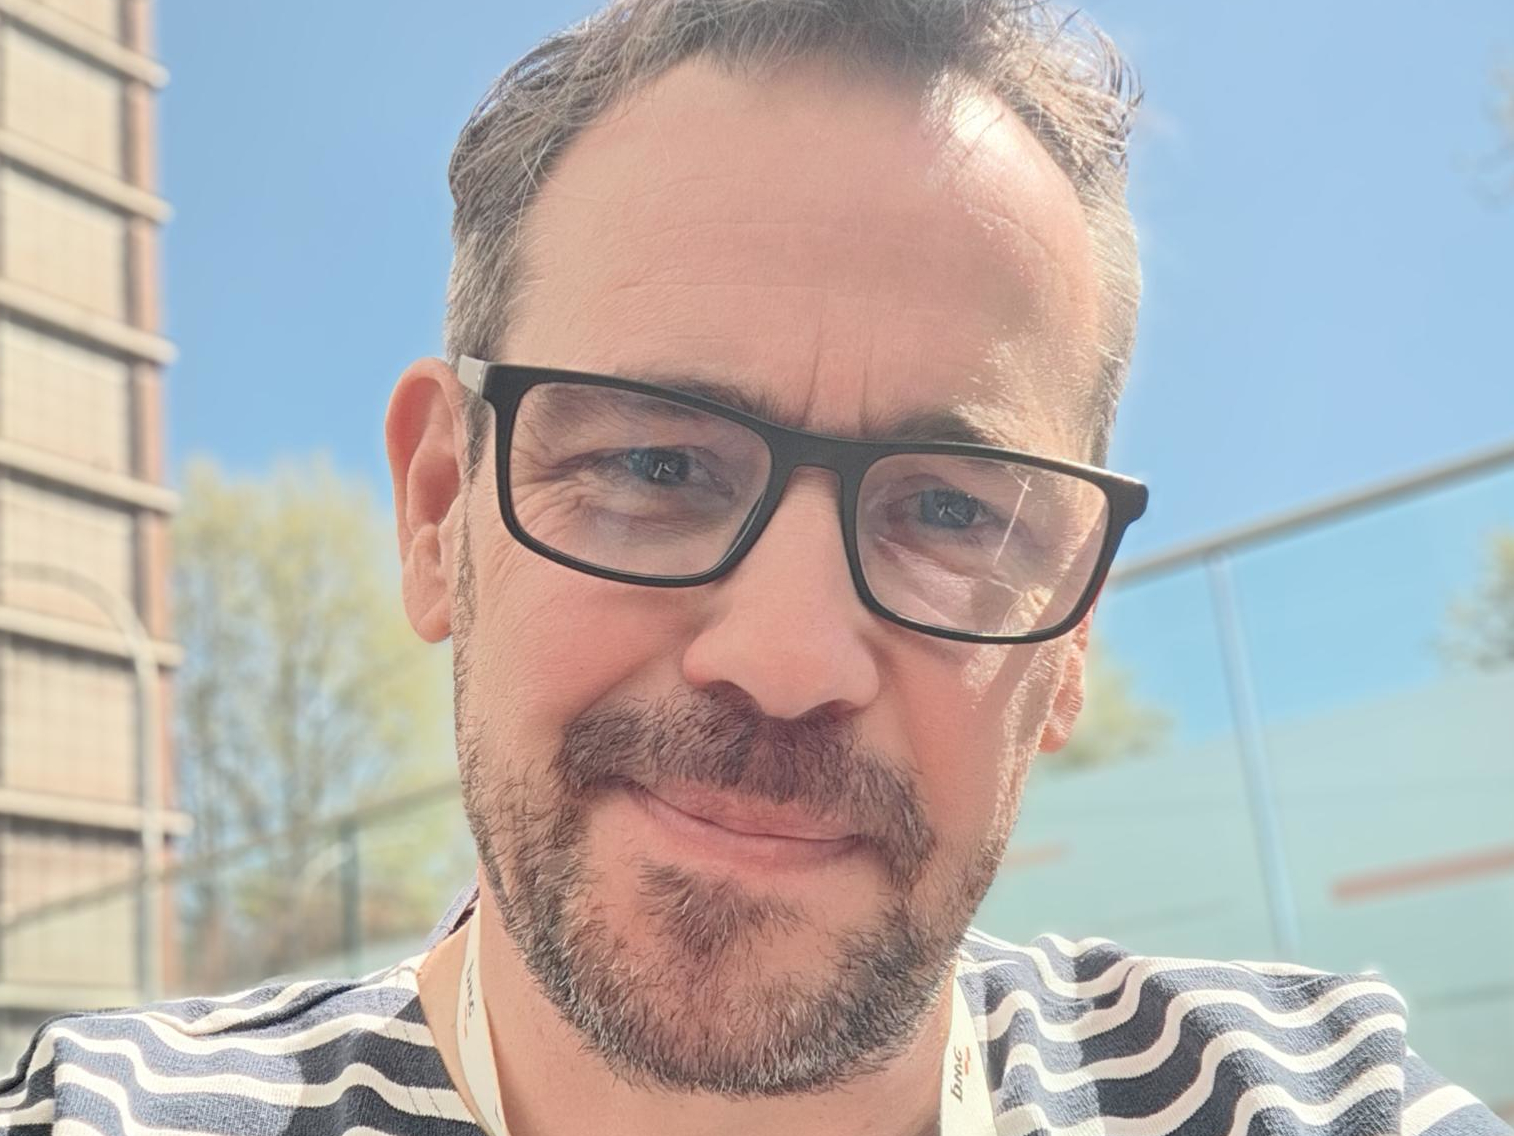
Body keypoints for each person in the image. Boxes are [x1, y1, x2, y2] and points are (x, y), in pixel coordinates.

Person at [3, 1, 1508, 1134]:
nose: (787, 659)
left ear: (1070, 644)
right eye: (654, 465)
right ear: (441, 513)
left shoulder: (1307, 1098)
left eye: (952, 511)